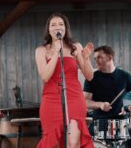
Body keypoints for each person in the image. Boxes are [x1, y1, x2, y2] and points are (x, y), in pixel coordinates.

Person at [35, 13, 94, 148]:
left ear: (66, 29)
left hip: (74, 97)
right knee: (52, 142)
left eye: (61, 24)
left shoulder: (75, 47)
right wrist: (56, 51)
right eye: (53, 25)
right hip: (51, 99)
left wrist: (85, 58)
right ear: (49, 30)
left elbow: (89, 76)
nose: (57, 27)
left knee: (73, 142)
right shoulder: (41, 50)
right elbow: (45, 76)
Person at [83, 45, 131, 148]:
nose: (96, 61)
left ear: (110, 57)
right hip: (100, 121)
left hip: (123, 121)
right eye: (95, 58)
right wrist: (100, 105)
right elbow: (84, 102)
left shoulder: (126, 77)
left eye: (100, 57)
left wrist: (128, 108)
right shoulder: (91, 78)